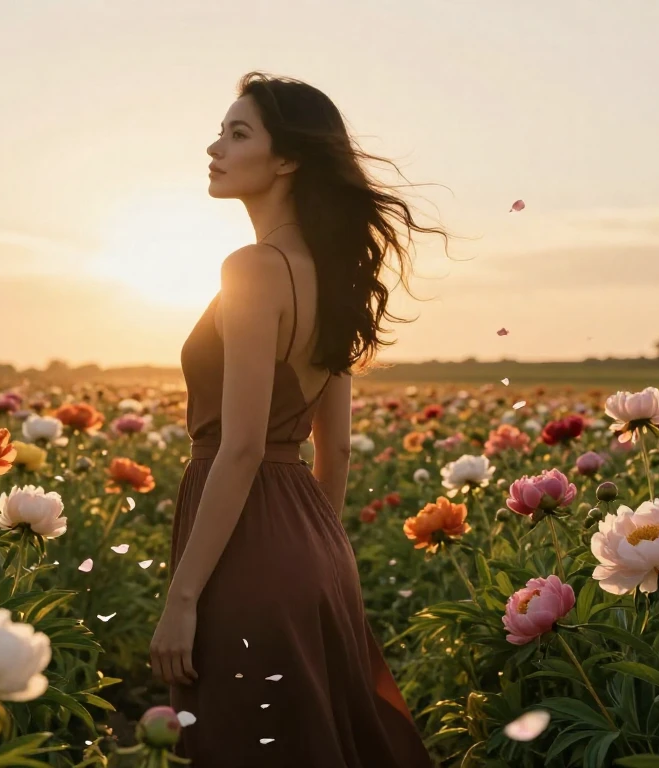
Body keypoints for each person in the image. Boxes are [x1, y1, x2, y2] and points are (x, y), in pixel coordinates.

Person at [149, 71, 450, 767]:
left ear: (286, 159)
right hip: (317, 546)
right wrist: (315, 560)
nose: (214, 147)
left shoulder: (253, 268)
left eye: (238, 132)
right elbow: (336, 449)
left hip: (245, 544)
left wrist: (184, 596)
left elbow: (244, 445)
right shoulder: (337, 276)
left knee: (245, 745)